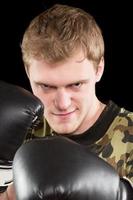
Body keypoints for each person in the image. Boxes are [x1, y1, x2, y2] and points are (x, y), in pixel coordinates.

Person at [0, 3, 132, 199]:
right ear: (28, 72)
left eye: (76, 84)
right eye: (46, 86)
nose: (62, 103)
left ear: (99, 69)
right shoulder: (15, 129)